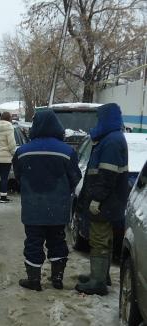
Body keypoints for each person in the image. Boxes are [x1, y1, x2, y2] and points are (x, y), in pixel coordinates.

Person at [13, 109, 81, 291]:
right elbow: (75, 177)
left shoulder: (22, 152)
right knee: (58, 241)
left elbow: (18, 176)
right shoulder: (67, 151)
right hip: (58, 208)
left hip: (32, 207)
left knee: (33, 242)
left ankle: (34, 280)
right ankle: (57, 278)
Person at [75, 103, 128, 296]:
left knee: (99, 239)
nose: (97, 121)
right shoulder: (110, 138)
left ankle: (97, 282)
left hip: (106, 201)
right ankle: (100, 275)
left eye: (99, 118)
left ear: (107, 118)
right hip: (109, 200)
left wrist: (97, 199)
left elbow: (107, 174)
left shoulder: (112, 141)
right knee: (104, 238)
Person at [0, 112, 17, 203]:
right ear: (9, 118)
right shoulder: (9, 127)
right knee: (4, 177)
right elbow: (11, 144)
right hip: (5, 157)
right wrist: (13, 153)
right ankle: (3, 196)